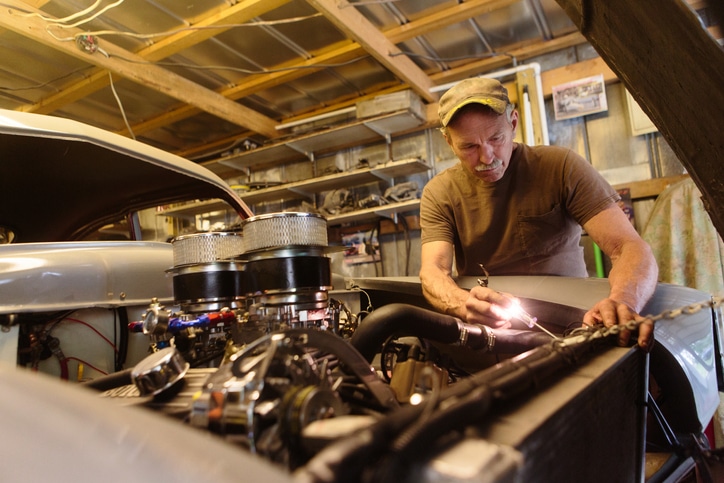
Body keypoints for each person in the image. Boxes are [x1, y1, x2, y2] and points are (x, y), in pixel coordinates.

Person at [419, 77, 659, 351]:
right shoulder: (440, 193)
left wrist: (623, 301)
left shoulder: (561, 168)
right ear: (448, 141)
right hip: (492, 331)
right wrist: (462, 304)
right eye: (469, 147)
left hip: (573, 321)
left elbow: (628, 246)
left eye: (496, 139)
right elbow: (433, 270)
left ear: (513, 123)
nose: (487, 157)